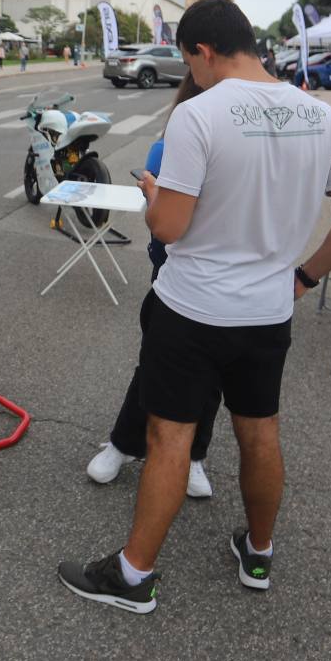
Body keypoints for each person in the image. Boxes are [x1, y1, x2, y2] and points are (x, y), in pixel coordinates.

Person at [58, 0, 331, 613]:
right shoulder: (322, 116)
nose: (192, 75)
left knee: (170, 435)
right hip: (267, 311)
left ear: (202, 51)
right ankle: (258, 554)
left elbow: (171, 228)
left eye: (190, 61)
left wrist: (154, 196)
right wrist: (305, 277)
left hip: (193, 310)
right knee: (260, 434)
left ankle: (133, 577)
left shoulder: (199, 116)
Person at [86, 72, 219, 496]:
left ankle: (195, 455)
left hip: (229, 284)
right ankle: (125, 443)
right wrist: (154, 195)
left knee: (211, 376)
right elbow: (165, 227)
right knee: (155, 365)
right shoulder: (169, 145)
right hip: (174, 276)